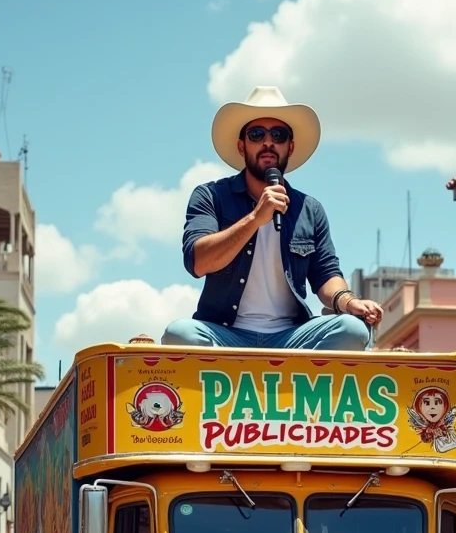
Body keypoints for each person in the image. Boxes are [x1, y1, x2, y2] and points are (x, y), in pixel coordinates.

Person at [162, 86, 382, 351]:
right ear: (242, 146)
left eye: (278, 135)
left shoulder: (309, 209)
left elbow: (326, 275)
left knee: (353, 330)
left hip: (291, 337)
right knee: (179, 334)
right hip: (224, 334)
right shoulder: (211, 195)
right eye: (257, 134)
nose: (268, 142)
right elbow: (198, 262)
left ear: (290, 146)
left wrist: (350, 302)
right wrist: (255, 218)